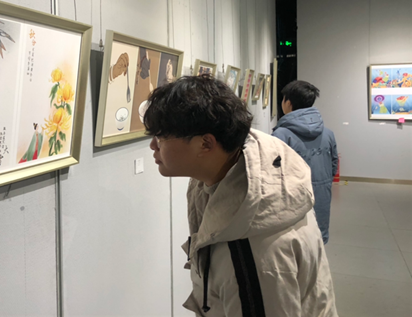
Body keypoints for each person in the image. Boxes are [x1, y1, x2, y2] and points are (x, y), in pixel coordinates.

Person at [144, 75, 337, 316]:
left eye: (161, 137)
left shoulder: (251, 253)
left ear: (206, 144)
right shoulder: (247, 172)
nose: (153, 146)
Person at [272, 80, 338, 245]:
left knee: (293, 243)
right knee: (317, 241)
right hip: (322, 197)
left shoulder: (281, 135)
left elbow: (272, 174)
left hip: (292, 201)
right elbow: (333, 166)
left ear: (288, 103)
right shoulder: (328, 134)